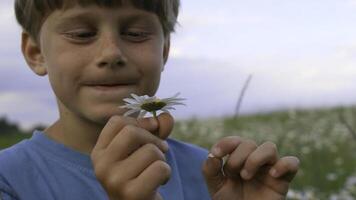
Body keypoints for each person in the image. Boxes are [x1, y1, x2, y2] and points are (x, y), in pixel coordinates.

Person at [0, 0, 300, 199]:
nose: (111, 53)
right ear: (35, 53)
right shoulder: (9, 181)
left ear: (165, 50)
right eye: (81, 34)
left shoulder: (213, 172)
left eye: (136, 33)